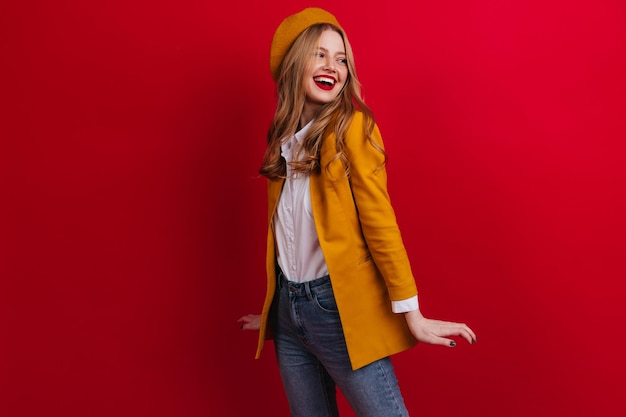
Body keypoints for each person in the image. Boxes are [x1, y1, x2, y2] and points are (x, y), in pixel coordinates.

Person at [238, 7, 477, 417]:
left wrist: (412, 314)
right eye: (320, 54)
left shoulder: (353, 127)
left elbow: (380, 223)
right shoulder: (283, 140)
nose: (334, 66)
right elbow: (287, 235)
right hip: (289, 314)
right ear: (294, 64)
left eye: (341, 57)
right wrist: (275, 308)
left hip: (336, 309)